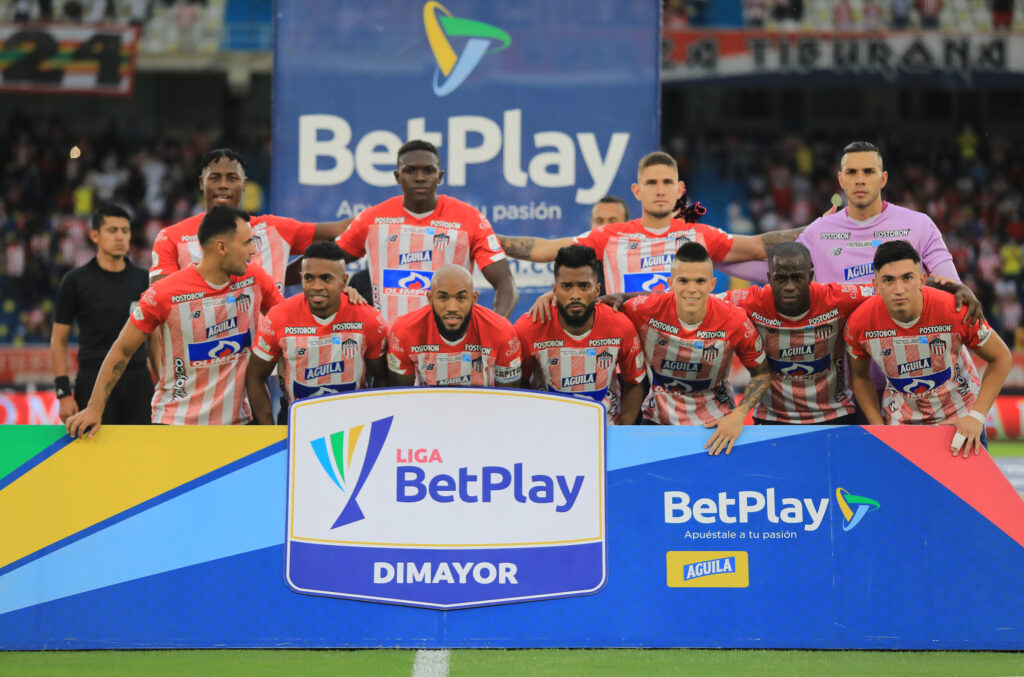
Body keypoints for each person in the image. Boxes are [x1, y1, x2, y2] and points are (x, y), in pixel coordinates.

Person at [65, 206, 284, 437]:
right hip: (176, 424)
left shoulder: (255, 279)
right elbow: (122, 349)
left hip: (238, 425)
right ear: (221, 247)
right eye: (247, 242)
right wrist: (94, 408)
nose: (253, 250)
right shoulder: (164, 293)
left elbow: (288, 325)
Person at [722, 242, 981, 425]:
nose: (789, 286)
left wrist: (956, 289)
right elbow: (706, 302)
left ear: (810, 276)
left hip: (835, 416)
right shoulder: (750, 300)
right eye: (781, 278)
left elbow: (892, 286)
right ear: (769, 278)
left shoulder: (838, 297)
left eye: (797, 277)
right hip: (771, 418)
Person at [498, 151, 803, 296]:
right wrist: (484, 236)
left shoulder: (700, 236)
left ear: (679, 190)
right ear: (637, 191)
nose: (660, 190)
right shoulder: (609, 236)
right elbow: (545, 250)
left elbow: (758, 246)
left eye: (667, 182)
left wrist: (816, 229)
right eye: (651, 183)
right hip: (627, 359)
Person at [723, 141, 972, 293]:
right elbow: (771, 270)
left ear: (883, 178)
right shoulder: (819, 231)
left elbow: (951, 286)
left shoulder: (919, 225)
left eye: (869, 172)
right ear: (841, 180)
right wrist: (711, 256)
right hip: (846, 360)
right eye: (852, 172)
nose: (860, 179)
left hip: (906, 357)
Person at [845, 241, 1012, 457]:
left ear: (922, 280)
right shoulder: (859, 322)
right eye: (888, 280)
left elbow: (1001, 357)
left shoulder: (955, 309)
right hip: (901, 425)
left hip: (961, 421)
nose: (899, 289)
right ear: (876, 284)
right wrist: (879, 428)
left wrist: (977, 417)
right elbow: (859, 377)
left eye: (907, 278)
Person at [335, 140, 518, 323]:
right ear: (397, 176)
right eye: (410, 170)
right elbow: (326, 262)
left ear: (439, 176)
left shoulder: (470, 219)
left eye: (428, 170)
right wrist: (342, 291)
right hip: (388, 338)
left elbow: (506, 283)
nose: (420, 177)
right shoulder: (372, 219)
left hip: (448, 339)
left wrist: (495, 327)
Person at [621, 243, 770, 455]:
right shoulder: (643, 309)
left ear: (712, 284)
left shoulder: (735, 319)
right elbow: (604, 315)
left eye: (700, 281)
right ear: (670, 283)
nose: (692, 289)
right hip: (656, 424)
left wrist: (739, 415)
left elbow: (762, 374)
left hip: (716, 427)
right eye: (683, 281)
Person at [149, 148, 349, 288]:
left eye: (232, 178)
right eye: (215, 178)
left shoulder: (274, 230)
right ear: (202, 183)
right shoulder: (171, 237)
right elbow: (159, 301)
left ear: (244, 184)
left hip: (265, 339)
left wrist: (281, 276)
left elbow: (343, 230)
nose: (223, 185)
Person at [247, 242, 388, 424]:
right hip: (294, 423)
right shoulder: (278, 317)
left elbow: (383, 377)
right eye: (309, 278)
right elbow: (255, 376)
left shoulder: (369, 318)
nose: (316, 286)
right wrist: (269, 431)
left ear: (344, 281)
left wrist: (373, 419)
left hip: (353, 424)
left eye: (326, 278)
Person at [515, 245, 646, 424]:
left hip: (605, 430)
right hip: (547, 430)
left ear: (597, 290)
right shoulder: (529, 327)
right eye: (567, 286)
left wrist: (622, 430)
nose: (575, 295)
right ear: (555, 290)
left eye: (584, 286)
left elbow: (635, 382)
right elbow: (518, 383)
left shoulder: (620, 326)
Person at [51, 204, 155, 424]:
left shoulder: (145, 279)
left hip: (138, 381)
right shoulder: (74, 281)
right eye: (112, 230)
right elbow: (58, 340)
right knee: (93, 446)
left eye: (125, 231)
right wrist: (63, 393)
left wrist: (163, 382)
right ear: (95, 235)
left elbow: (154, 337)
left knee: (142, 447)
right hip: (91, 378)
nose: (120, 237)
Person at [387, 265, 521, 388]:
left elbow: (509, 399)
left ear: (474, 299)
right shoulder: (405, 331)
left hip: (485, 405)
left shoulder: (501, 331)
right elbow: (399, 396)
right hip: (426, 405)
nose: (452, 308)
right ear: (430, 299)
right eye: (443, 298)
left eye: (461, 298)